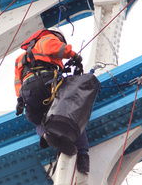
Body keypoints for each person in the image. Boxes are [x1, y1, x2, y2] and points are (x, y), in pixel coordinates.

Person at [14, 27, 90, 174]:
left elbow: (18, 82)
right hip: (48, 84)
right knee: (73, 115)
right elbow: (56, 48)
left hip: (28, 92)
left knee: (36, 119)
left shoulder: (20, 59)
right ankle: (83, 156)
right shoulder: (47, 38)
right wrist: (74, 56)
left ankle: (46, 135)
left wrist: (20, 100)